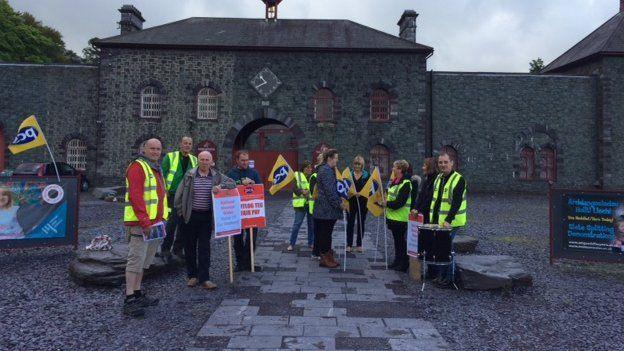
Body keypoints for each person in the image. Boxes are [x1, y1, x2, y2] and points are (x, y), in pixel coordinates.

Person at [174, 151, 235, 290]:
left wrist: (220, 187)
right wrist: (180, 212)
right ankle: (192, 276)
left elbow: (232, 184)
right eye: (202, 159)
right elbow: (179, 194)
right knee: (189, 247)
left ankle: (205, 278)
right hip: (189, 216)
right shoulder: (190, 175)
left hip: (206, 217)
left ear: (211, 162)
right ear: (198, 160)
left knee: (204, 248)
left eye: (207, 159)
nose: (204, 162)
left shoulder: (217, 176)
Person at [122, 138, 168, 317]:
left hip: (155, 224)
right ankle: (129, 299)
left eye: (158, 149)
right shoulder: (138, 167)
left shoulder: (155, 168)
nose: (156, 152)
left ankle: (138, 292)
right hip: (142, 225)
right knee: (135, 260)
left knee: (144, 261)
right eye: (152, 149)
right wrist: (144, 221)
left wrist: (163, 218)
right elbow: (135, 196)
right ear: (144, 149)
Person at [429, 152, 467, 287]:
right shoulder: (439, 178)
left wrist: (448, 220)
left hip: (452, 222)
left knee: (446, 249)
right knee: (441, 249)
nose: (443, 165)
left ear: (452, 163)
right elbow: (436, 200)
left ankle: (449, 279)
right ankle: (441, 276)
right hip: (439, 221)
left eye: (445, 162)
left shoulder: (458, 179)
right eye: (440, 162)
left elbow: (456, 203)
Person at [161, 136, 198, 261]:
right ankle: (165, 249)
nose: (187, 145)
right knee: (172, 222)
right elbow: (162, 175)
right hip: (172, 194)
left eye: (189, 143)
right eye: (185, 143)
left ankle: (178, 249)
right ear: (180, 144)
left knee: (184, 223)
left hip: (187, 196)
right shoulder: (170, 157)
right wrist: (163, 191)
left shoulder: (194, 159)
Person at [227, 150, 262, 272]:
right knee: (238, 238)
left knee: (251, 239)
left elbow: (260, 188)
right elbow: (227, 188)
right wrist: (241, 183)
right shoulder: (232, 173)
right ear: (237, 160)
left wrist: (253, 184)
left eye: (246, 160)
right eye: (242, 160)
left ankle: (249, 262)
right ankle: (240, 263)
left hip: (251, 211)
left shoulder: (253, 172)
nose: (245, 162)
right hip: (236, 212)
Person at [313, 149, 346, 268]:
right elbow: (330, 191)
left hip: (324, 209)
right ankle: (325, 258)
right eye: (336, 158)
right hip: (326, 209)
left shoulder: (326, 169)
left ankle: (327, 256)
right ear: (330, 158)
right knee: (326, 233)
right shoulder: (326, 171)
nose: (337, 160)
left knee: (326, 233)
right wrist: (339, 204)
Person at [381, 160, 412, 272]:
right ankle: (397, 261)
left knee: (401, 242)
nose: (392, 169)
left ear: (400, 169)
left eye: (394, 167)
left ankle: (404, 264)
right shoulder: (395, 181)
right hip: (393, 217)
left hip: (401, 218)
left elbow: (400, 202)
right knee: (397, 241)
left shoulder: (406, 183)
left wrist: (386, 204)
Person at [288, 161, 314, 251]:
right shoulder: (297, 176)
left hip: (310, 204)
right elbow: (294, 188)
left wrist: (310, 192)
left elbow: (316, 189)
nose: (310, 169)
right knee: (297, 225)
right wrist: (302, 191)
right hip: (300, 205)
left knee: (311, 225)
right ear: (303, 169)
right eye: (308, 167)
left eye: (310, 167)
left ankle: (311, 243)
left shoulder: (313, 177)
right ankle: (291, 243)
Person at [346, 156, 370, 253]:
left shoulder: (367, 175)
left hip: (363, 202)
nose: (357, 166)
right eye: (355, 164)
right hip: (351, 201)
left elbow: (370, 189)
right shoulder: (349, 174)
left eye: (359, 164)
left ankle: (359, 244)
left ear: (362, 165)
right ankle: (349, 244)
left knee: (361, 223)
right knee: (350, 223)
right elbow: (346, 187)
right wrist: (351, 193)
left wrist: (362, 193)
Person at [411, 157, 438, 224]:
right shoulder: (427, 180)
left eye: (424, 165)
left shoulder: (436, 180)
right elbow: (421, 196)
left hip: (430, 217)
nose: (423, 168)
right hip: (424, 215)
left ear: (430, 167)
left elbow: (429, 199)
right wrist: (415, 208)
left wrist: (419, 211)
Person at [310, 152, 324, 259]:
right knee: (318, 230)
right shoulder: (315, 176)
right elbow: (313, 191)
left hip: (323, 206)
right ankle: (317, 252)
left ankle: (318, 251)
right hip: (317, 205)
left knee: (321, 230)